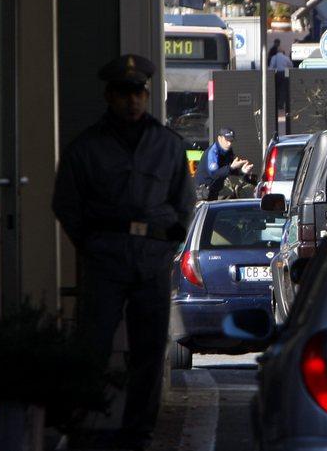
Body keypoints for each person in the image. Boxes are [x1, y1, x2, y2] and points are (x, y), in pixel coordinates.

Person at [52, 54, 194, 451]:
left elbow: (184, 201)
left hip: (151, 260)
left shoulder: (167, 145)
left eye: (140, 93)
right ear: (109, 96)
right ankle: (81, 424)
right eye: (125, 93)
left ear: (147, 96)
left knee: (149, 350)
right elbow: (66, 202)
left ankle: (139, 430)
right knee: (92, 345)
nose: (133, 101)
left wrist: (168, 245)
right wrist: (90, 245)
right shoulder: (86, 148)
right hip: (105, 259)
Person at [195, 127, 254, 200]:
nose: (229, 144)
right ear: (219, 138)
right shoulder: (213, 152)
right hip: (203, 193)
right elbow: (214, 174)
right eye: (227, 140)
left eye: (231, 141)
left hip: (215, 191)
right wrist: (231, 167)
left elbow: (228, 170)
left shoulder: (228, 151)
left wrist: (242, 171)